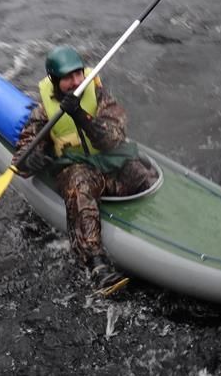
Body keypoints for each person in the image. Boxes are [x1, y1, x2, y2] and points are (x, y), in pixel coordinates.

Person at [11, 45, 156, 295]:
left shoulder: (99, 97)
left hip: (109, 162)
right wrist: (30, 160)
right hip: (78, 169)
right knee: (79, 185)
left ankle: (159, 231)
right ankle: (96, 265)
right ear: (55, 81)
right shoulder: (44, 110)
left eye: (78, 74)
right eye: (68, 78)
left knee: (142, 174)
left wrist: (81, 116)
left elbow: (114, 138)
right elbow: (24, 151)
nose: (76, 81)